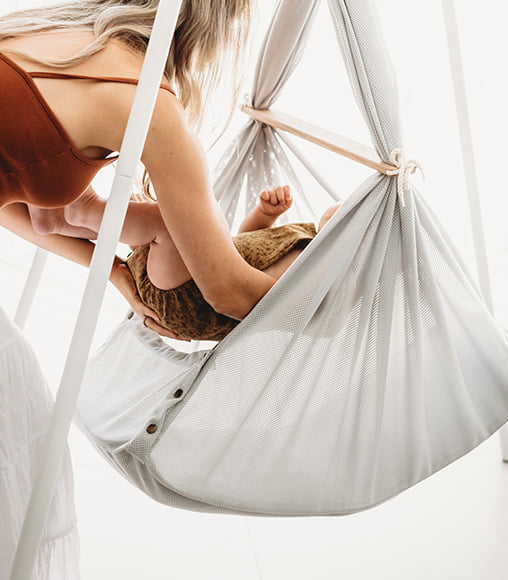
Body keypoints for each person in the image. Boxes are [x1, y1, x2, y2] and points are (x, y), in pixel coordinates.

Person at [0, 1, 260, 576]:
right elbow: (228, 292)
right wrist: (339, 289)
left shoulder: (46, 35)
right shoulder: (142, 100)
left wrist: (116, 272)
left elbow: (28, 206)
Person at [38, 185, 338, 341]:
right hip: (187, 280)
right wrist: (265, 214)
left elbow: (247, 297)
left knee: (168, 222)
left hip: (192, 301)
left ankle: (84, 211)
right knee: (151, 215)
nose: (342, 208)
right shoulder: (306, 233)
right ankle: (60, 218)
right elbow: (246, 245)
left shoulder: (328, 270)